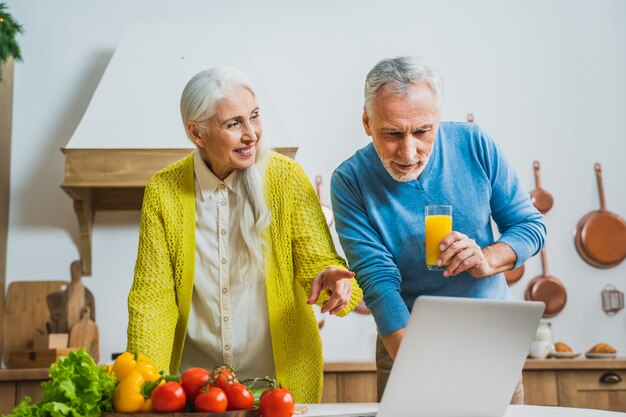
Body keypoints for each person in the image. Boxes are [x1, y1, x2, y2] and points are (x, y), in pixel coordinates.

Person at [126, 66, 363, 403]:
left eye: (254, 117)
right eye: (234, 124)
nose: (252, 134)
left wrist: (331, 279)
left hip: (278, 388)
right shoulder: (164, 191)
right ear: (197, 133)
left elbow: (317, 258)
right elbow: (152, 299)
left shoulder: (286, 178)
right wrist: (144, 386)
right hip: (195, 390)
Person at [330, 56, 545, 403]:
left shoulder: (476, 144)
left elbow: (529, 226)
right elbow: (378, 279)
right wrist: (416, 366)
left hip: (492, 340)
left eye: (423, 131)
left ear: (438, 120)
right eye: (392, 134)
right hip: (405, 339)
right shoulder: (350, 180)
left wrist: (488, 259)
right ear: (367, 122)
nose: (409, 151)